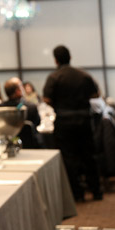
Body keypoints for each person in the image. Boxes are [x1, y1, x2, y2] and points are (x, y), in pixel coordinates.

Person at [43, 45, 102, 201]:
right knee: (89, 155)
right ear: (70, 57)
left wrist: (59, 103)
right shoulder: (83, 75)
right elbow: (96, 94)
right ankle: (96, 191)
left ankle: (77, 193)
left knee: (69, 158)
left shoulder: (54, 77)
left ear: (55, 60)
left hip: (64, 121)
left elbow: (46, 99)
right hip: (84, 120)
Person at [0, 77, 41, 148]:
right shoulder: (31, 107)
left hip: (6, 145)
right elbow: (38, 123)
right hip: (29, 146)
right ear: (18, 91)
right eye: (21, 86)